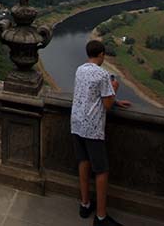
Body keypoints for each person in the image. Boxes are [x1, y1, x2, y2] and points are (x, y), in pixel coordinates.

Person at [71, 40, 122, 226]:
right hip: (92, 127)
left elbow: (88, 94)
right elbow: (106, 105)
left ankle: (85, 204)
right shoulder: (102, 75)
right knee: (101, 171)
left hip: (76, 123)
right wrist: (114, 89)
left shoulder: (80, 70)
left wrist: (114, 99)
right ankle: (101, 217)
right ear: (101, 55)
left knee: (83, 162)